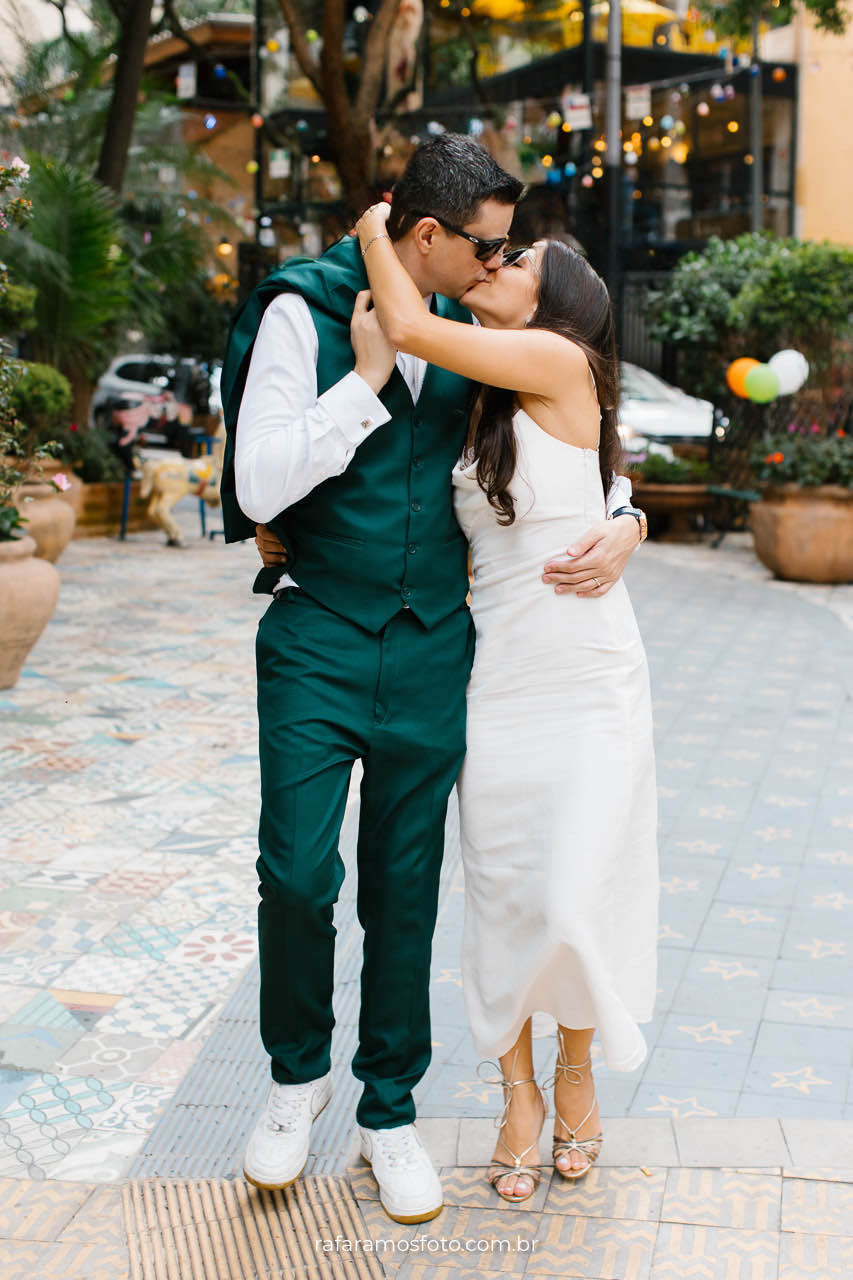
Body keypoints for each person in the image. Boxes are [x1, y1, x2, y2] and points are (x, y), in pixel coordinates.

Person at [220, 133, 643, 1225]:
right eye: (490, 245)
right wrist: (362, 380)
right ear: (430, 236)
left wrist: (627, 518)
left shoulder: (467, 334)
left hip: (438, 652)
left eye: (509, 252)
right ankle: (291, 1078)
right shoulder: (300, 312)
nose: (499, 261)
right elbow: (257, 478)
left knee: (406, 893)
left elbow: (581, 438)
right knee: (299, 873)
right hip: (316, 631)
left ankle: (388, 1110)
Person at [347, 200, 659, 1206]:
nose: (495, 260)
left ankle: (576, 1070)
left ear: (553, 304)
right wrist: (630, 514)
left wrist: (375, 232)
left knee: (571, 893)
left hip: (586, 673)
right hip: (497, 680)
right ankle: (517, 1095)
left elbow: (405, 321)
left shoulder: (561, 367)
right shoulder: (473, 399)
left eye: (517, 259)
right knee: (507, 897)